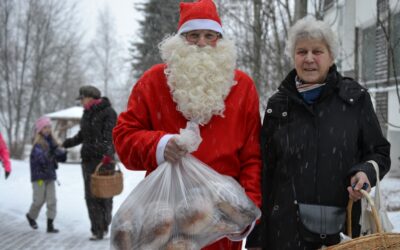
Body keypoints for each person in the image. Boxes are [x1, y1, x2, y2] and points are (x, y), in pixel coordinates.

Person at [112, 0, 261, 249]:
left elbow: (252, 156)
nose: (202, 43)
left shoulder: (242, 87)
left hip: (221, 222)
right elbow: (124, 139)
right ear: (180, 41)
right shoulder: (153, 82)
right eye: (193, 35)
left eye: (209, 35)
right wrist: (159, 145)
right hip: (163, 222)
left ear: (220, 40)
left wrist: (248, 208)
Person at [245, 16, 391, 250]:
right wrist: (256, 240)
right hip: (284, 234)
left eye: (317, 51)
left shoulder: (355, 99)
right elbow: (265, 173)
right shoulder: (278, 105)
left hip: (339, 234)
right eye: (302, 51)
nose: (309, 59)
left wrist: (364, 173)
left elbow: (379, 152)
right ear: (293, 56)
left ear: (331, 56)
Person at [62, 85, 117, 241]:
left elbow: (110, 136)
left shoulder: (109, 112)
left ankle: (105, 224)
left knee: (105, 195)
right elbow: (82, 135)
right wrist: (68, 143)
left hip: (104, 161)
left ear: (91, 98)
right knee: (90, 196)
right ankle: (97, 229)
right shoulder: (86, 114)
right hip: (87, 161)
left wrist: (107, 154)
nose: (81, 102)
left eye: (82, 98)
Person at [26, 116, 67, 233]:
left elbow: (58, 154)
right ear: (40, 130)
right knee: (39, 200)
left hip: (50, 177)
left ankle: (50, 225)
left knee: (52, 200)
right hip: (39, 177)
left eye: (49, 127)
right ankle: (31, 216)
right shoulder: (37, 144)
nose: (48, 130)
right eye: (45, 127)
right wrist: (51, 154)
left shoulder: (52, 141)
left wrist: (62, 154)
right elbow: (41, 158)